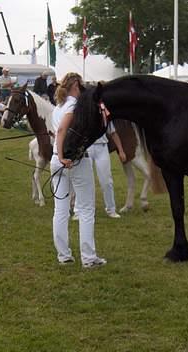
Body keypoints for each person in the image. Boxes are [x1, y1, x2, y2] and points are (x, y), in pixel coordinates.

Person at [51, 72, 106, 268]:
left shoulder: (57, 107)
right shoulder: (74, 106)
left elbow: (57, 131)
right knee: (85, 209)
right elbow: (61, 131)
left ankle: (63, 255)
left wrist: (57, 156)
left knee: (61, 210)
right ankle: (88, 258)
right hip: (72, 160)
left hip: (57, 161)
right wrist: (62, 155)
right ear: (76, 85)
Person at [86, 119, 127, 219]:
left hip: (102, 147)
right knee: (86, 180)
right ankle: (84, 210)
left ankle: (111, 209)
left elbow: (113, 133)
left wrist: (121, 151)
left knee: (107, 181)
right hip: (87, 147)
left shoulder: (103, 112)